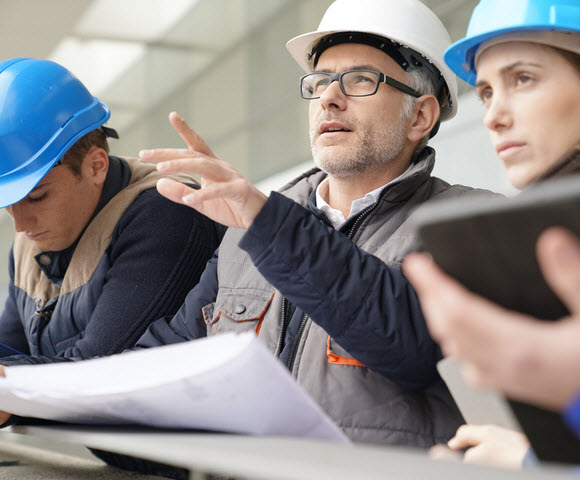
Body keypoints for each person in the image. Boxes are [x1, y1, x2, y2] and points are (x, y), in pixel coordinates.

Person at [134, 0, 494, 448]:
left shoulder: (472, 224)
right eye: (320, 81)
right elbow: (165, 357)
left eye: (360, 80)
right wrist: (28, 386)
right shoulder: (244, 235)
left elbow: (413, 346)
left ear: (420, 116)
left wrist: (267, 223)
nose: (329, 97)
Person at [402, 0, 580, 468]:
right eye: (488, 91)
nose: (492, 116)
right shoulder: (560, 229)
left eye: (523, 79)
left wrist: (531, 460)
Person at [0, 58, 221, 365]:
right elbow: (11, 348)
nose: (20, 225)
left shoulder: (166, 213)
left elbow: (99, 369)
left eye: (37, 197)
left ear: (95, 166)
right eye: (8, 203)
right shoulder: (29, 242)